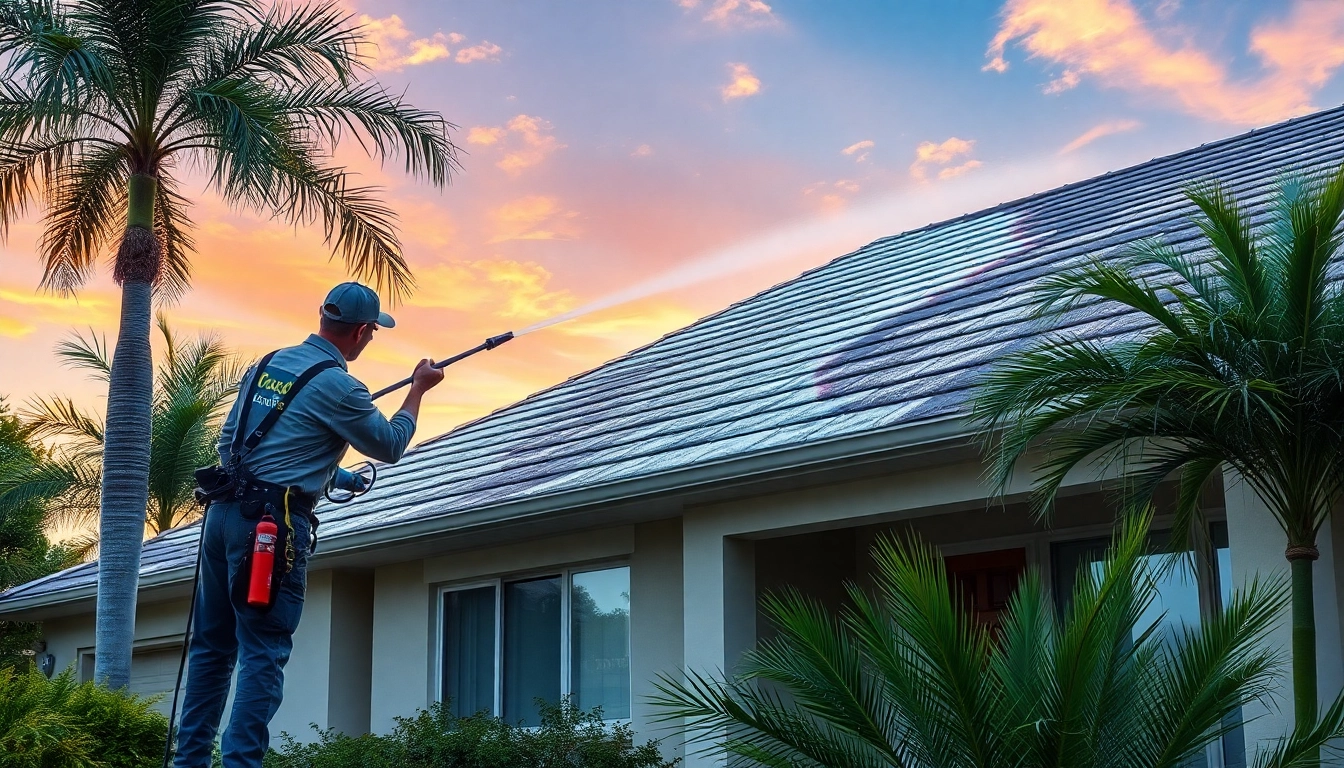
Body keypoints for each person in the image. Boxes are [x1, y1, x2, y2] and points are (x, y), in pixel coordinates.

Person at [172, 283, 444, 768]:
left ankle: (189, 762)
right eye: (372, 333)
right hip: (270, 532)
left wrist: (332, 474)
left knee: (213, 648)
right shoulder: (341, 387)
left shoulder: (268, 364)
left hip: (221, 518)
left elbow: (237, 445)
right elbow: (388, 444)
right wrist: (415, 391)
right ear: (362, 332)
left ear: (323, 316)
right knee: (263, 651)